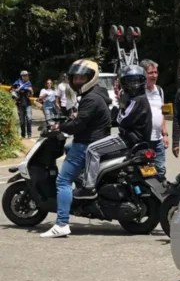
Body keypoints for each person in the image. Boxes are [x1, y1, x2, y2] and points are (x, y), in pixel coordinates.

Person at [40, 60, 112, 238]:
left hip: (87, 142)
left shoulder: (90, 98)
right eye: (76, 78)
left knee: (62, 180)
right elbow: (83, 118)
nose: (78, 81)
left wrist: (60, 127)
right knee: (68, 146)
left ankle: (62, 223)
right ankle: (80, 180)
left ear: (91, 78)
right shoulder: (98, 94)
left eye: (82, 78)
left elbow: (79, 124)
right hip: (95, 139)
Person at [74, 65, 152, 199]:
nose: (133, 84)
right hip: (139, 138)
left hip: (129, 138)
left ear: (142, 81)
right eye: (130, 81)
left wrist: (119, 108)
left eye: (136, 81)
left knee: (92, 150)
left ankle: (88, 188)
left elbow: (122, 120)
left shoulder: (135, 100)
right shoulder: (141, 98)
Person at [141, 59, 168, 177]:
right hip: (143, 139)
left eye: (156, 72)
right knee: (147, 171)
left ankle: (159, 192)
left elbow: (164, 113)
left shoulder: (160, 91)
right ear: (143, 74)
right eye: (150, 73)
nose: (154, 75)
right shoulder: (138, 92)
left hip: (158, 139)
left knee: (160, 169)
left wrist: (165, 135)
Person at [11, 70, 33, 138]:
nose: (27, 76)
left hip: (28, 104)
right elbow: (11, 90)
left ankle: (29, 134)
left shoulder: (29, 83)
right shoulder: (17, 83)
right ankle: (23, 135)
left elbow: (31, 94)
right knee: (22, 121)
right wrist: (15, 91)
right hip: (20, 104)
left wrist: (31, 91)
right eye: (26, 75)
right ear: (23, 76)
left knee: (29, 119)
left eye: (28, 75)